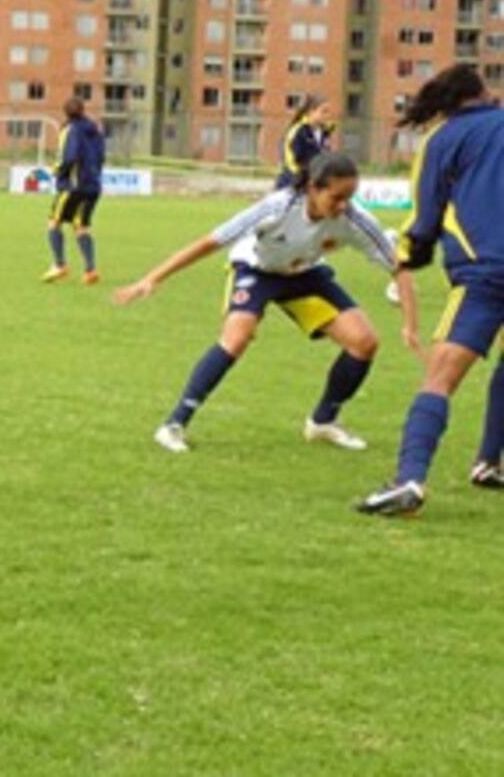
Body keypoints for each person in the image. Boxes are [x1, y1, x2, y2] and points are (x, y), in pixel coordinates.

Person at [114, 151, 418, 455]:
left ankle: (323, 421)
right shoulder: (278, 207)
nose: (343, 206)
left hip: (304, 274)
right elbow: (211, 242)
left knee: (364, 342)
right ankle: (174, 424)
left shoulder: (354, 220)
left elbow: (399, 268)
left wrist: (410, 325)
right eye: (336, 197)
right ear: (313, 187)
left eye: (349, 197)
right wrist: (151, 279)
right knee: (237, 337)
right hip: (256, 270)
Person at [359, 64, 504, 516]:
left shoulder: (442, 139)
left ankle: (409, 480)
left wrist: (406, 259)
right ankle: (489, 462)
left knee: (440, 377)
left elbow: (424, 218)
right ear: (481, 92)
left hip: (486, 272)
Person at [41, 97, 105, 285]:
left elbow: (68, 156)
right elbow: (101, 157)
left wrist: (57, 170)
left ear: (65, 112)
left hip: (73, 186)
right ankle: (90, 270)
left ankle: (59, 265)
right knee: (81, 226)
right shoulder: (95, 130)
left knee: (54, 222)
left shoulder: (70, 130)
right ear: (83, 110)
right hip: (93, 185)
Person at [275, 95, 336, 191]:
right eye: (324, 111)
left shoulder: (324, 133)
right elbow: (289, 161)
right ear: (311, 112)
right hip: (292, 184)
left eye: (328, 112)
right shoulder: (297, 131)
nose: (327, 116)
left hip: (314, 185)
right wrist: (301, 180)